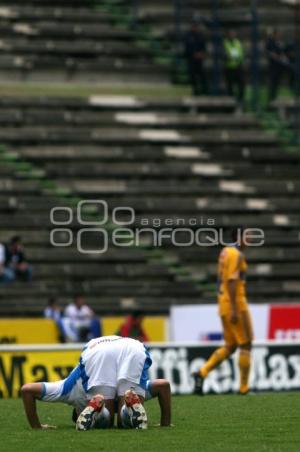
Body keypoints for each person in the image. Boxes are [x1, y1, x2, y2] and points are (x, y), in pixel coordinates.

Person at [21, 335, 171, 429]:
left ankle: (106, 411)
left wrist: (37, 427)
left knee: (110, 420)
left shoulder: (68, 390)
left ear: (80, 410)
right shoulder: (66, 387)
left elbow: (26, 389)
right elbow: (163, 385)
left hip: (97, 353)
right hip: (129, 346)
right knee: (122, 416)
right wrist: (165, 424)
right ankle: (128, 406)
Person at [192, 228, 253, 395]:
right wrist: (234, 308)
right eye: (247, 235)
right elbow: (232, 281)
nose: (250, 239)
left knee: (230, 345)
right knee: (246, 343)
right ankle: (244, 388)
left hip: (223, 304)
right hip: (236, 305)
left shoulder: (225, 251)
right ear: (238, 237)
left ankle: (201, 373)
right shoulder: (236, 254)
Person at [184, 17, 208, 96]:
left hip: (199, 60)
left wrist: (202, 54)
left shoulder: (201, 35)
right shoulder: (188, 35)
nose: (195, 27)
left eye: (197, 25)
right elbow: (187, 48)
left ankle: (204, 91)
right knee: (193, 76)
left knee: (202, 75)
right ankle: (195, 92)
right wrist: (194, 54)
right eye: (194, 25)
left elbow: (204, 47)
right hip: (191, 60)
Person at [265, 28, 289, 102]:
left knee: (276, 84)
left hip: (279, 66)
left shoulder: (279, 43)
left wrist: (283, 57)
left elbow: (282, 52)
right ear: (274, 34)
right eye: (278, 34)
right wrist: (275, 56)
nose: (279, 36)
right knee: (272, 84)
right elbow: (268, 52)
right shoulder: (270, 42)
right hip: (273, 66)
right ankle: (270, 101)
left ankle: (274, 99)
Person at [223, 30, 245, 104]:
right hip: (229, 67)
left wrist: (239, 60)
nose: (232, 35)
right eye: (231, 34)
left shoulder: (237, 42)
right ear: (228, 35)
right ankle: (230, 103)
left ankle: (240, 100)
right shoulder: (225, 43)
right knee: (230, 86)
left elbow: (241, 53)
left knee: (242, 84)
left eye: (233, 34)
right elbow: (223, 54)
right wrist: (227, 57)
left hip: (238, 66)